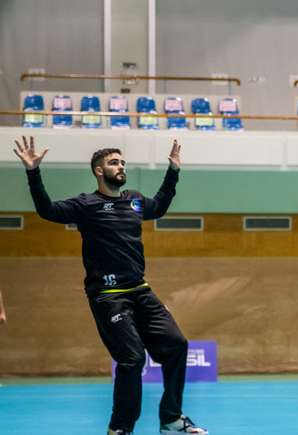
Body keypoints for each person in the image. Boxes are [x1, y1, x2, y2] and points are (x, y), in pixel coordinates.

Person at [13, 136, 207, 435]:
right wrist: (33, 172)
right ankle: (120, 428)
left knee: (177, 346)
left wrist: (173, 171)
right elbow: (47, 210)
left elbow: (159, 207)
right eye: (114, 163)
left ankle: (171, 419)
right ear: (98, 171)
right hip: (108, 296)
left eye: (122, 162)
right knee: (132, 358)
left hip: (140, 290)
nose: (121, 166)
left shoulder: (134, 200)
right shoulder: (85, 204)